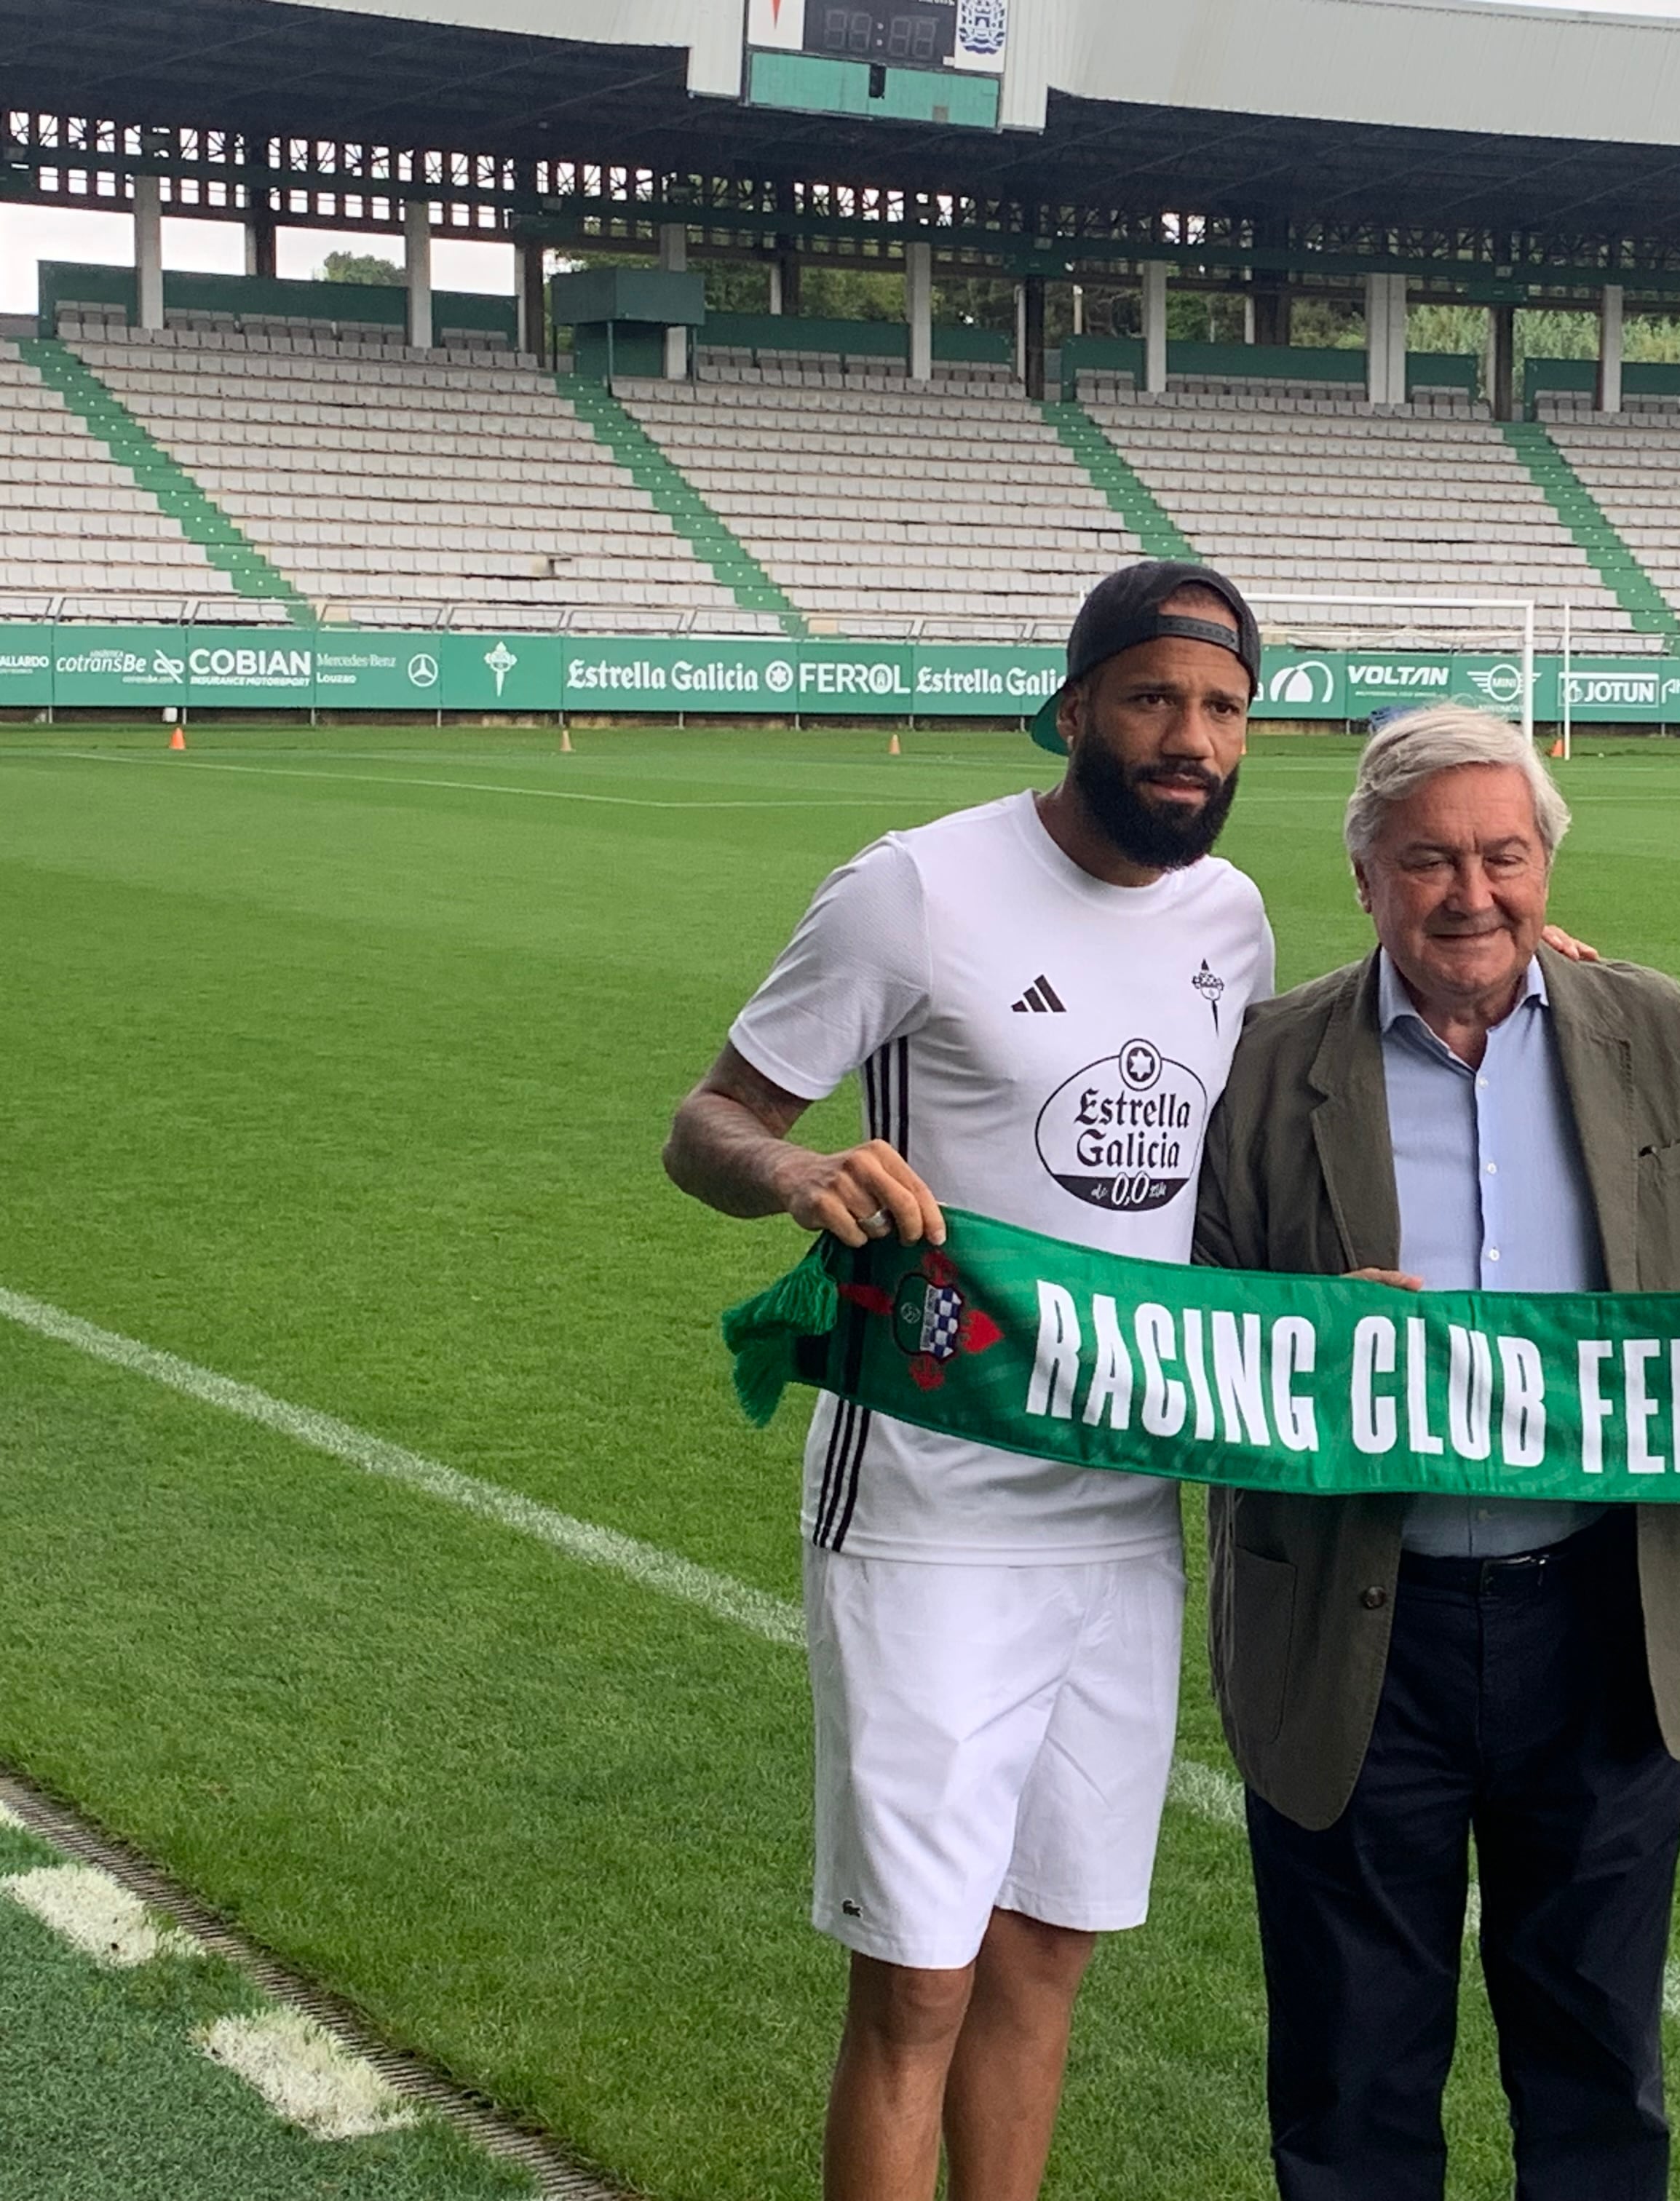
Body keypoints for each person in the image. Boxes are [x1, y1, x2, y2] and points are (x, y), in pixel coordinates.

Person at [661, 560, 1275, 2201]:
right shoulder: (914, 890)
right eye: (1154, 698)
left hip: (1127, 1511)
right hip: (930, 1503)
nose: (1189, 738)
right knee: (919, 1982)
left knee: (1048, 1956)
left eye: (1222, 710)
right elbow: (709, 1122)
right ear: (1075, 706)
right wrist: (796, 1180)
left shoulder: (1235, 919)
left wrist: (1533, 956)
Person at [1192, 702, 1680, 2201]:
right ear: (1365, 877)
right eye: (1428, 860)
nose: (1471, 894)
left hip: (1606, 1621)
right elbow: (1178, 1325)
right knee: (1354, 2070)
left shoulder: (1666, 1037)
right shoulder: (1261, 1064)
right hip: (1362, 1626)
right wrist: (1295, 1324)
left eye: (1506, 857)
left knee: (1600, 2068)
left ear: (1548, 870)